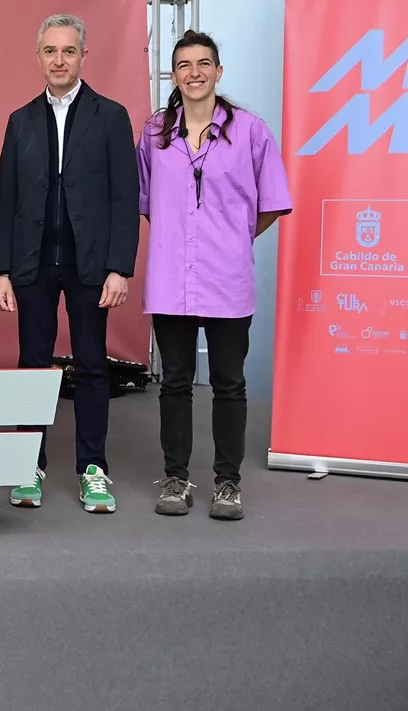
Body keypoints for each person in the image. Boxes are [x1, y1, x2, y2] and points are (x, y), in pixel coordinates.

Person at [140, 29, 290, 521]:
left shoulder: (251, 130)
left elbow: (270, 203)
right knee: (175, 382)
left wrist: (230, 237)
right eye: (184, 65)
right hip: (170, 279)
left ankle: (228, 482)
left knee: (229, 382)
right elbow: (148, 203)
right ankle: (177, 477)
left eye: (204, 63)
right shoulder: (154, 133)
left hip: (227, 278)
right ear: (174, 75)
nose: (195, 73)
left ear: (219, 71)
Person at [0, 13, 138, 515]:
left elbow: (125, 196)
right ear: (38, 58)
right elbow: (5, 198)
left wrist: (120, 266)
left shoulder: (111, 116)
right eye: (50, 51)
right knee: (32, 366)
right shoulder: (19, 120)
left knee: (92, 366)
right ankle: (29, 464)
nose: (59, 59)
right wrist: (1, 270)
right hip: (32, 264)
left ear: (83, 57)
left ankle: (92, 468)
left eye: (68, 51)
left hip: (90, 265)